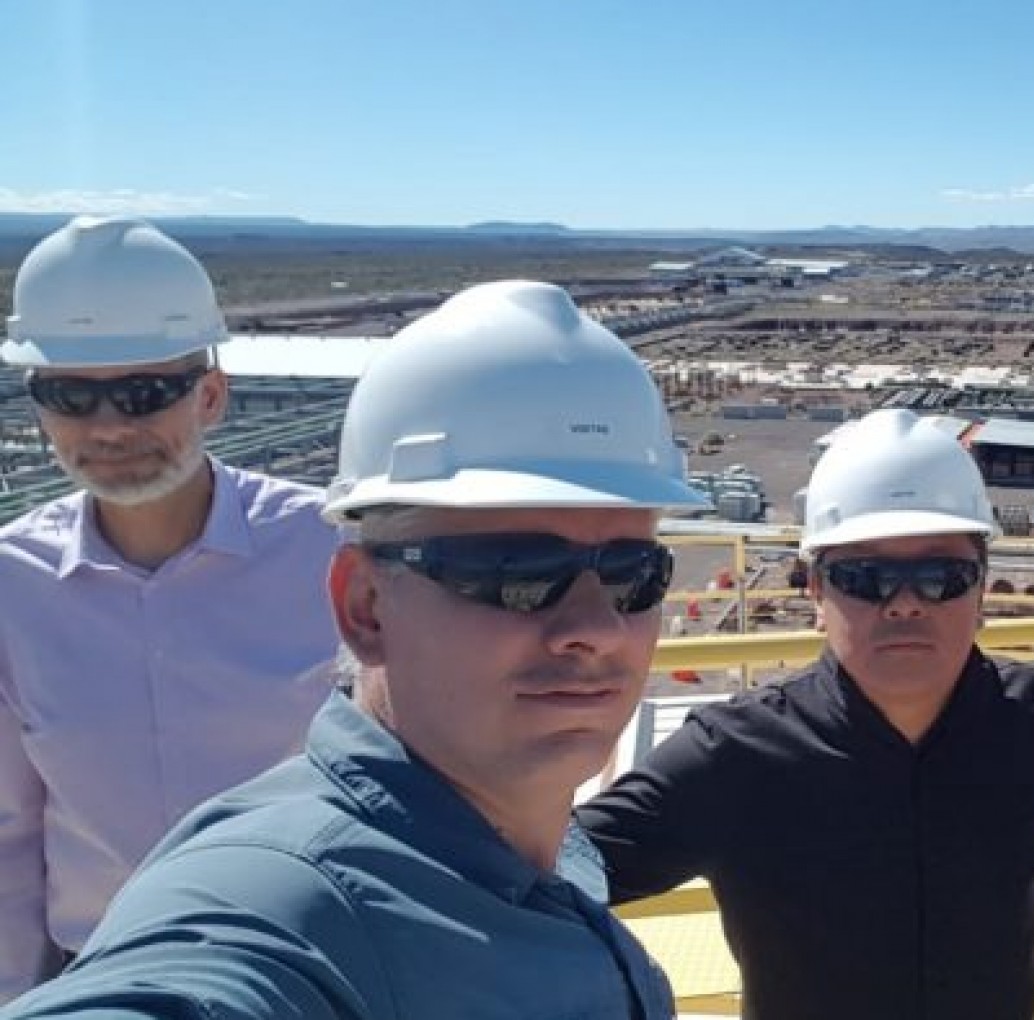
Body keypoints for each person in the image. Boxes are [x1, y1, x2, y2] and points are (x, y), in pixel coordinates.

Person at [1, 280, 699, 1019]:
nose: (595, 628)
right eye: (515, 574)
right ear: (363, 607)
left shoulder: (547, 854)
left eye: (632, 577)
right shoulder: (280, 906)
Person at [578, 408, 1034, 1020]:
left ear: (982, 587)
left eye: (940, 577)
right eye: (866, 577)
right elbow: (531, 878)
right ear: (817, 593)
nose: (905, 604)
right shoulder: (736, 757)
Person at [0, 216, 339, 1001]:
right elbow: (10, 833)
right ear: (39, 408)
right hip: (103, 982)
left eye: (145, 393)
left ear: (211, 395)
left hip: (313, 974)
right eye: (71, 395)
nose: (109, 426)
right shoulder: (12, 584)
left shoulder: (329, 551)